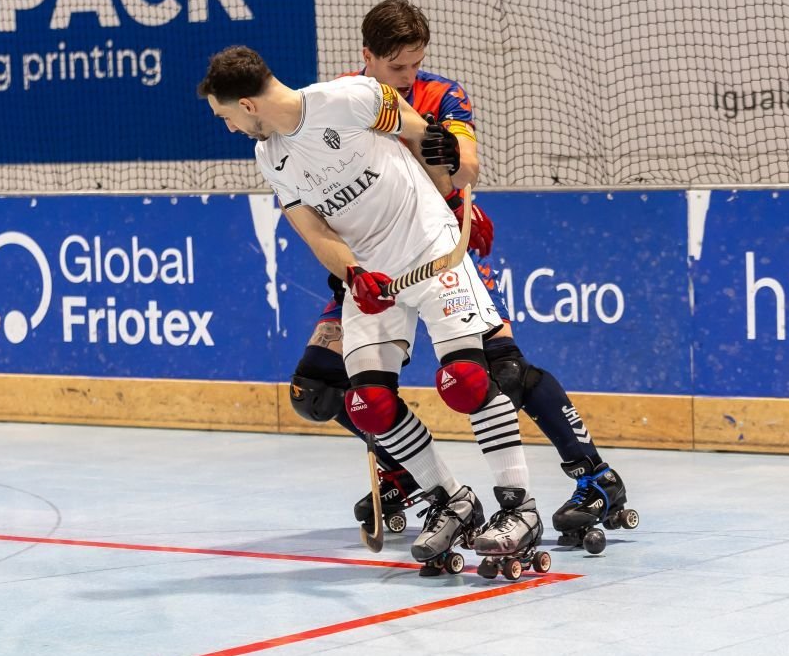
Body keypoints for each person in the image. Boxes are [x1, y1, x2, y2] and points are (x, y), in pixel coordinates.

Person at [286, 0, 635, 550]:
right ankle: (406, 468)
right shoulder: (342, 102)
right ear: (367, 58)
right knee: (318, 390)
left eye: (415, 65)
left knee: (499, 372)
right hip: (368, 267)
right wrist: (345, 265)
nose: (407, 78)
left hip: (435, 249)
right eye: (397, 68)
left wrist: (450, 152)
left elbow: (467, 166)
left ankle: (594, 476)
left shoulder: (439, 93)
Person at [198, 45, 545, 575]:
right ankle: (453, 501)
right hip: (372, 277)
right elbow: (314, 228)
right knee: (369, 406)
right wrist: (354, 275)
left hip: (429, 248)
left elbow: (421, 136)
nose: (229, 129)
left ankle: (519, 507)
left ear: (247, 105)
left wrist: (453, 194)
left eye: (225, 118)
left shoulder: (351, 98)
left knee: (467, 379)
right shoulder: (269, 156)